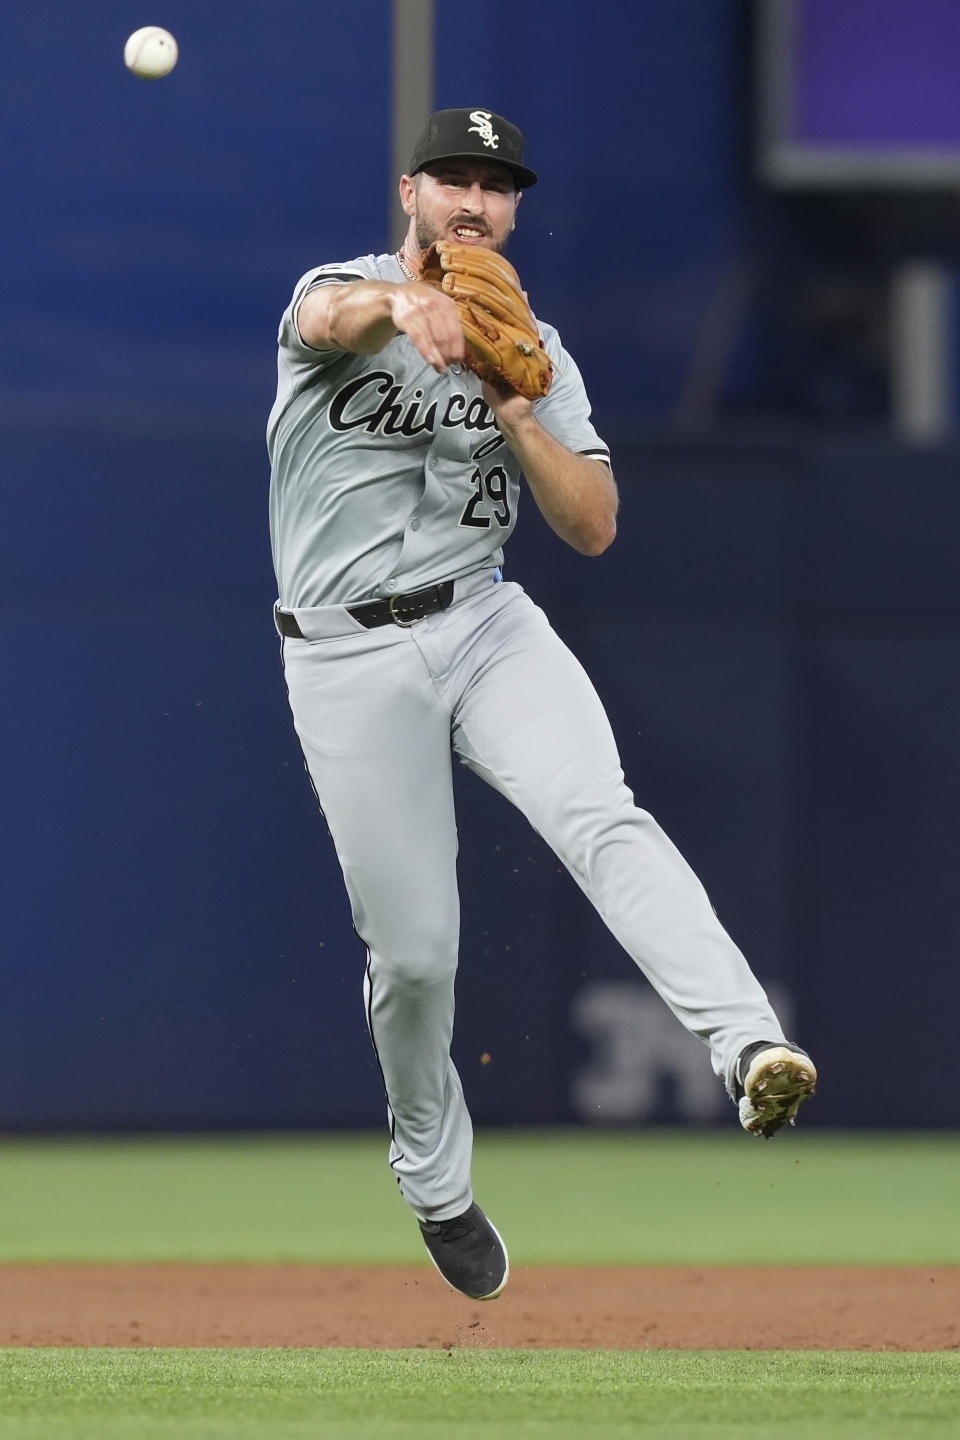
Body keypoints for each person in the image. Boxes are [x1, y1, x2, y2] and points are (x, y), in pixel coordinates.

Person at [266, 107, 817, 1303]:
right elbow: (326, 320)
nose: (474, 200)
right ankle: (433, 1177)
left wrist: (513, 400)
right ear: (409, 192)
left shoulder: (538, 350)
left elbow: (595, 524)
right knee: (415, 959)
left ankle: (748, 1045)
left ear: (515, 211)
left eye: (496, 185)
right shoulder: (338, 293)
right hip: (345, 657)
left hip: (485, 620)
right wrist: (402, 311)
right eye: (453, 179)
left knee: (599, 814)